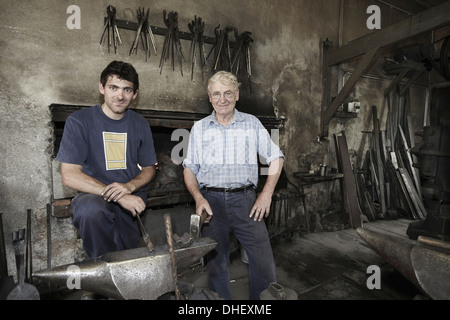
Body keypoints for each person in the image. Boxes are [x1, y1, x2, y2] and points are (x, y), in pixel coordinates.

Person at [182, 71, 284, 300]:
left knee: (263, 262)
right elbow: (189, 169)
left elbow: (276, 157)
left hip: (246, 201)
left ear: (236, 95)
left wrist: (266, 194)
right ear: (210, 97)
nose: (222, 99)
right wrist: (198, 197)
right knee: (216, 264)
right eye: (217, 94)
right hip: (211, 203)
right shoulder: (199, 128)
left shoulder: (251, 123)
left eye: (228, 93)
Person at [56, 60, 157, 258]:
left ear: (135, 95)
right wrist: (119, 196)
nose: (120, 95)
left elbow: (149, 168)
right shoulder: (78, 121)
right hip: (94, 196)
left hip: (131, 196)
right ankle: (101, 275)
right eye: (113, 87)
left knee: (128, 256)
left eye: (127, 90)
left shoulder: (140, 124)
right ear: (101, 87)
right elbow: (69, 175)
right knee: (91, 211)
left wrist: (128, 188)